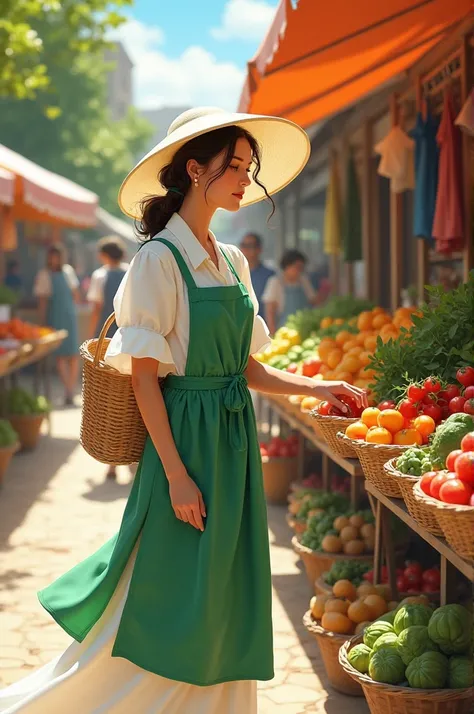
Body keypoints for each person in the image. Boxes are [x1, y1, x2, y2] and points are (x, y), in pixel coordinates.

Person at [0, 107, 367, 714]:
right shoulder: (157, 261)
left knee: (223, 584)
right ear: (195, 170)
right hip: (186, 441)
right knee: (168, 584)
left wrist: (318, 387)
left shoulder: (233, 260)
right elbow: (146, 381)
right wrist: (174, 475)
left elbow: (246, 369)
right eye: (235, 168)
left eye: (250, 170)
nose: (245, 181)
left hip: (232, 438)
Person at [87, 236, 130, 481]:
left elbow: (97, 309)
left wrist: (92, 337)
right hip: (129, 341)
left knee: (109, 403)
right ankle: (130, 457)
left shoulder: (100, 276)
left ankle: (112, 462)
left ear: (105, 255)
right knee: (130, 399)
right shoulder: (129, 273)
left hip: (106, 344)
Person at [33, 246, 80, 407]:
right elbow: (43, 301)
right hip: (56, 317)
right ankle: (68, 390)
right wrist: (42, 323)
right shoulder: (44, 275)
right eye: (52, 257)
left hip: (69, 316)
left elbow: (75, 294)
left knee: (74, 355)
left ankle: (70, 390)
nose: (54, 260)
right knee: (60, 356)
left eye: (57, 257)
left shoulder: (68, 272)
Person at [263, 248, 318, 335]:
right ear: (287, 266)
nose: (299, 271)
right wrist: (272, 333)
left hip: (305, 329)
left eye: (301, 268)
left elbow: (313, 301)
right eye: (297, 267)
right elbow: (270, 311)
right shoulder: (275, 282)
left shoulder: (303, 281)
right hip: (284, 331)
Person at [239, 232, 274, 318]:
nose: (246, 249)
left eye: (250, 246)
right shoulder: (233, 274)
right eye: (244, 245)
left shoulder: (270, 276)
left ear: (259, 249)